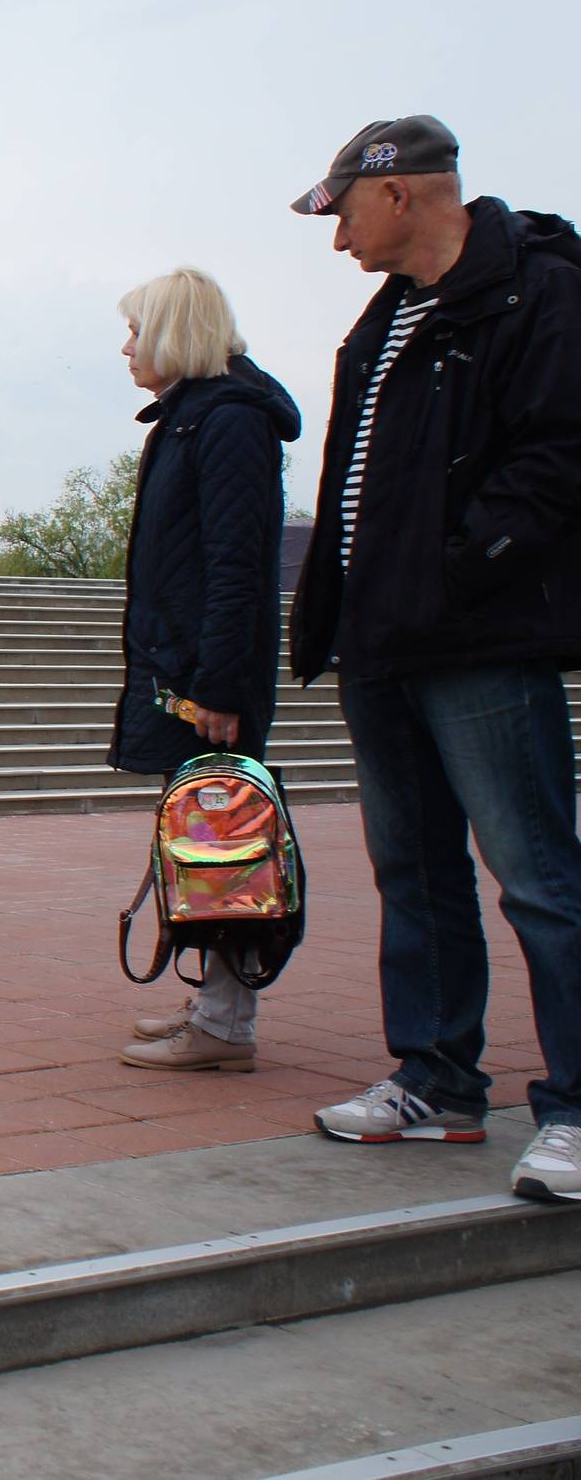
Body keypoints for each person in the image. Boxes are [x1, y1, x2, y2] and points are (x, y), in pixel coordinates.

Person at [283, 116, 581, 1203]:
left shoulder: (536, 288)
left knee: (540, 878)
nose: (335, 239)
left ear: (398, 194)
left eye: (343, 212)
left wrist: (457, 570)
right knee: (412, 871)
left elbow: (556, 460)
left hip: (481, 641)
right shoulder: (385, 321)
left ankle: (576, 1110)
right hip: (383, 642)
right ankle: (438, 1080)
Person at [99, 270, 304, 1073]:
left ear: (175, 331)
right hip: (184, 674)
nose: (125, 347)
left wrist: (217, 686)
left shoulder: (225, 424)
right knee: (204, 842)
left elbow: (236, 566)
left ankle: (226, 1021)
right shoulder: (192, 421)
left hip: (206, 683)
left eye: (136, 330)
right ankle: (217, 1002)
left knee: (224, 843)